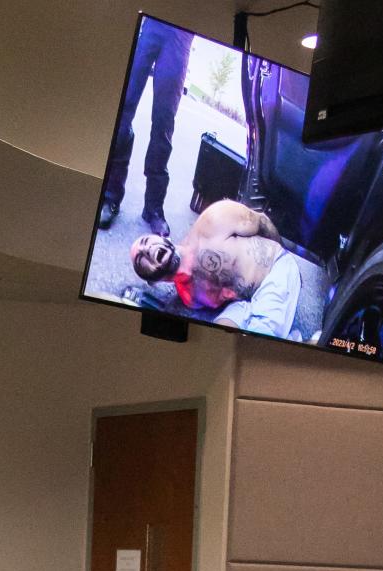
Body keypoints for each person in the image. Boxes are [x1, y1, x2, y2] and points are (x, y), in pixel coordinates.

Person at [130, 199, 302, 339]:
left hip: (273, 269)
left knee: (258, 342)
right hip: (243, 302)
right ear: (152, 280)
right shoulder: (189, 298)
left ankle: (303, 341)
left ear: (161, 237)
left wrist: (285, 264)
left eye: (146, 242)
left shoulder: (213, 220)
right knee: (218, 341)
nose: (147, 251)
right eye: (141, 259)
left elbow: (261, 221)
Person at [98, 17, 195, 236]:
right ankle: (111, 197)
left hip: (181, 34)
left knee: (163, 123)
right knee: (123, 112)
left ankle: (153, 208)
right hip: (152, 22)